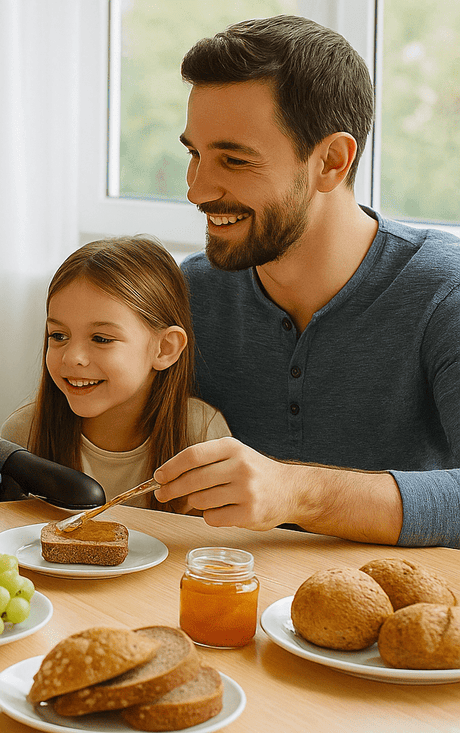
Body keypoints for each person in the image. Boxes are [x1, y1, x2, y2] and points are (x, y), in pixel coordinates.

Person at [156, 15, 460, 548]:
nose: (197, 190)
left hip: (393, 615)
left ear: (331, 162)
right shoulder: (194, 293)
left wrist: (297, 492)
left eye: (234, 159)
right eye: (195, 155)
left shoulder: (443, 292)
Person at [1, 237, 230, 509]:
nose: (73, 357)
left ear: (164, 349)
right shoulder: (23, 433)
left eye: (101, 338)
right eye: (59, 335)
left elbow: (219, 546)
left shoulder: (201, 434)